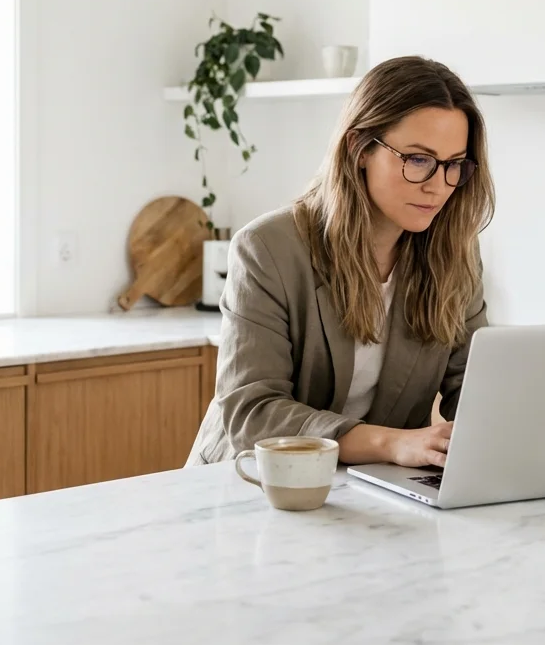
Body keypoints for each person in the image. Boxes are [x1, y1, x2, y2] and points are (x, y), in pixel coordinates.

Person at [186, 56, 496, 468]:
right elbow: (254, 415)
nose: (439, 186)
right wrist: (390, 444)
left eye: (454, 164)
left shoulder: (455, 253)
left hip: (369, 490)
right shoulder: (266, 249)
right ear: (360, 148)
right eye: (418, 160)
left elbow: (476, 390)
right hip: (252, 484)